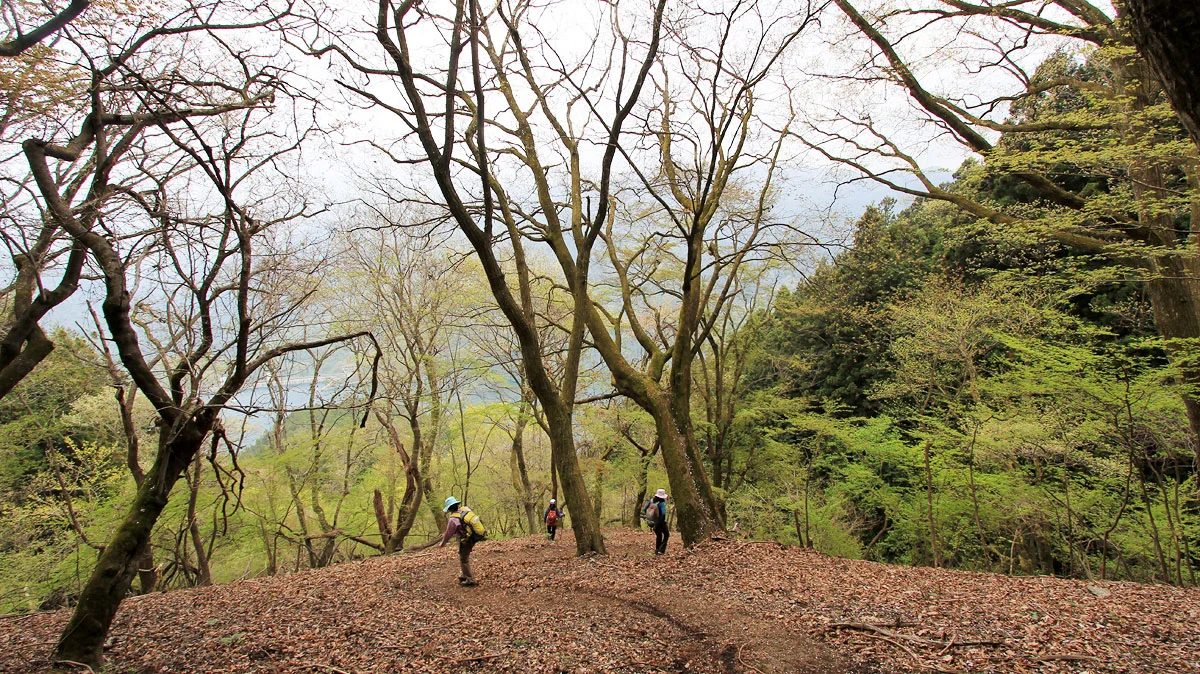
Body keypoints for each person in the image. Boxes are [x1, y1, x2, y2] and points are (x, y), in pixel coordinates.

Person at [439, 496, 484, 586]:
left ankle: (470, 579)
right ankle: (464, 574)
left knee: (464, 559)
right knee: (462, 554)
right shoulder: (466, 509)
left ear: (449, 509)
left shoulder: (453, 519)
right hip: (474, 535)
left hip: (466, 539)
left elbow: (448, 533)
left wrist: (442, 543)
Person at [645, 489, 669, 555]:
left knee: (659, 536)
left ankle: (657, 550)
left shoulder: (651, 501)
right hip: (660, 522)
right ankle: (661, 550)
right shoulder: (661, 504)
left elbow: (645, 509)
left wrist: (650, 517)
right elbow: (663, 513)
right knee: (666, 534)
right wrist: (662, 521)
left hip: (652, 522)